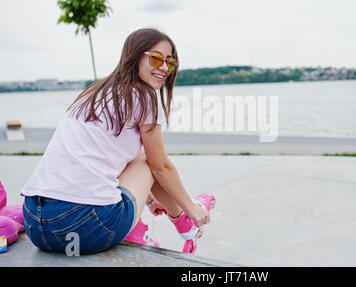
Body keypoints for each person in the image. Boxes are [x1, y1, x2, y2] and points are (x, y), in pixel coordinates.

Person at [21, 28, 215, 255]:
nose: (164, 67)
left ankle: (146, 219)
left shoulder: (95, 92)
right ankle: (184, 224)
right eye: (156, 58)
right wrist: (191, 208)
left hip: (36, 224)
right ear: (134, 56)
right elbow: (160, 167)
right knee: (147, 160)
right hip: (83, 227)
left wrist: (149, 198)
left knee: (137, 157)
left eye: (170, 63)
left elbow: (104, 156)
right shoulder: (145, 96)